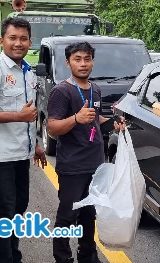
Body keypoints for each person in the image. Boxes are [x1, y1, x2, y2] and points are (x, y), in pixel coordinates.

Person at [0, 17, 47, 263]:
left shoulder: (27, 72)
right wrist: (18, 116)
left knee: (19, 208)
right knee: (5, 214)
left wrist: (34, 144)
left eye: (23, 39)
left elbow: (29, 114)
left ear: (30, 42)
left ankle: (14, 255)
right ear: (2, 41)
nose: (18, 43)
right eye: (12, 38)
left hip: (20, 154)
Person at [46, 41, 125, 263]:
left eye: (87, 59)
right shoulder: (62, 91)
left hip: (95, 164)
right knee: (67, 216)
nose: (83, 64)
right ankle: (62, 258)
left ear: (92, 61)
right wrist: (75, 119)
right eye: (77, 59)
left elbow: (95, 120)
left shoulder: (94, 89)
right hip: (72, 166)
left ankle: (87, 254)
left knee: (89, 214)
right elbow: (52, 128)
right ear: (68, 62)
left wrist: (113, 122)